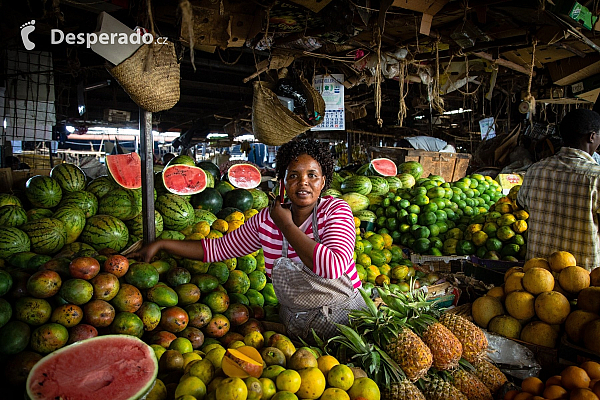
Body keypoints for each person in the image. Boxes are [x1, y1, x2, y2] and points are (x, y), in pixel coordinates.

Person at [133, 138, 366, 341]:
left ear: (323, 182)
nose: (303, 182)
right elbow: (217, 248)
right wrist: (162, 244)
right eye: (293, 175)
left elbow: (332, 265)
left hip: (345, 323)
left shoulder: (336, 210)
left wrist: (285, 224)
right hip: (296, 325)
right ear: (282, 183)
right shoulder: (265, 221)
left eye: (312, 175)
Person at [517, 108, 600, 271]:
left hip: (537, 280)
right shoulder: (596, 177)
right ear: (591, 136)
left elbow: (521, 205)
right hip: (582, 280)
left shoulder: (535, 170)